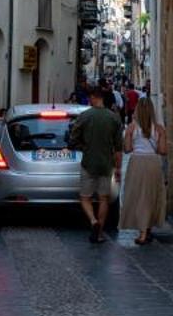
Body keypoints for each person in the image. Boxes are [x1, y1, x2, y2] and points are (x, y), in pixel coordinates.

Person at [68, 83, 122, 243]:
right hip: (106, 163)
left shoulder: (85, 116)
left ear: (93, 98)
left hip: (88, 162)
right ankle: (99, 233)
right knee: (104, 198)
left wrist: (80, 146)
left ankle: (93, 221)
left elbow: (73, 138)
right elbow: (118, 147)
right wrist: (118, 168)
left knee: (85, 197)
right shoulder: (114, 118)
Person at [120, 95, 166, 246]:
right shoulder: (159, 128)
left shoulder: (132, 128)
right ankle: (148, 228)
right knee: (152, 195)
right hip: (153, 163)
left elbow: (127, 149)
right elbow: (162, 150)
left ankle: (142, 233)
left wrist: (128, 136)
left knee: (137, 196)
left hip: (137, 163)